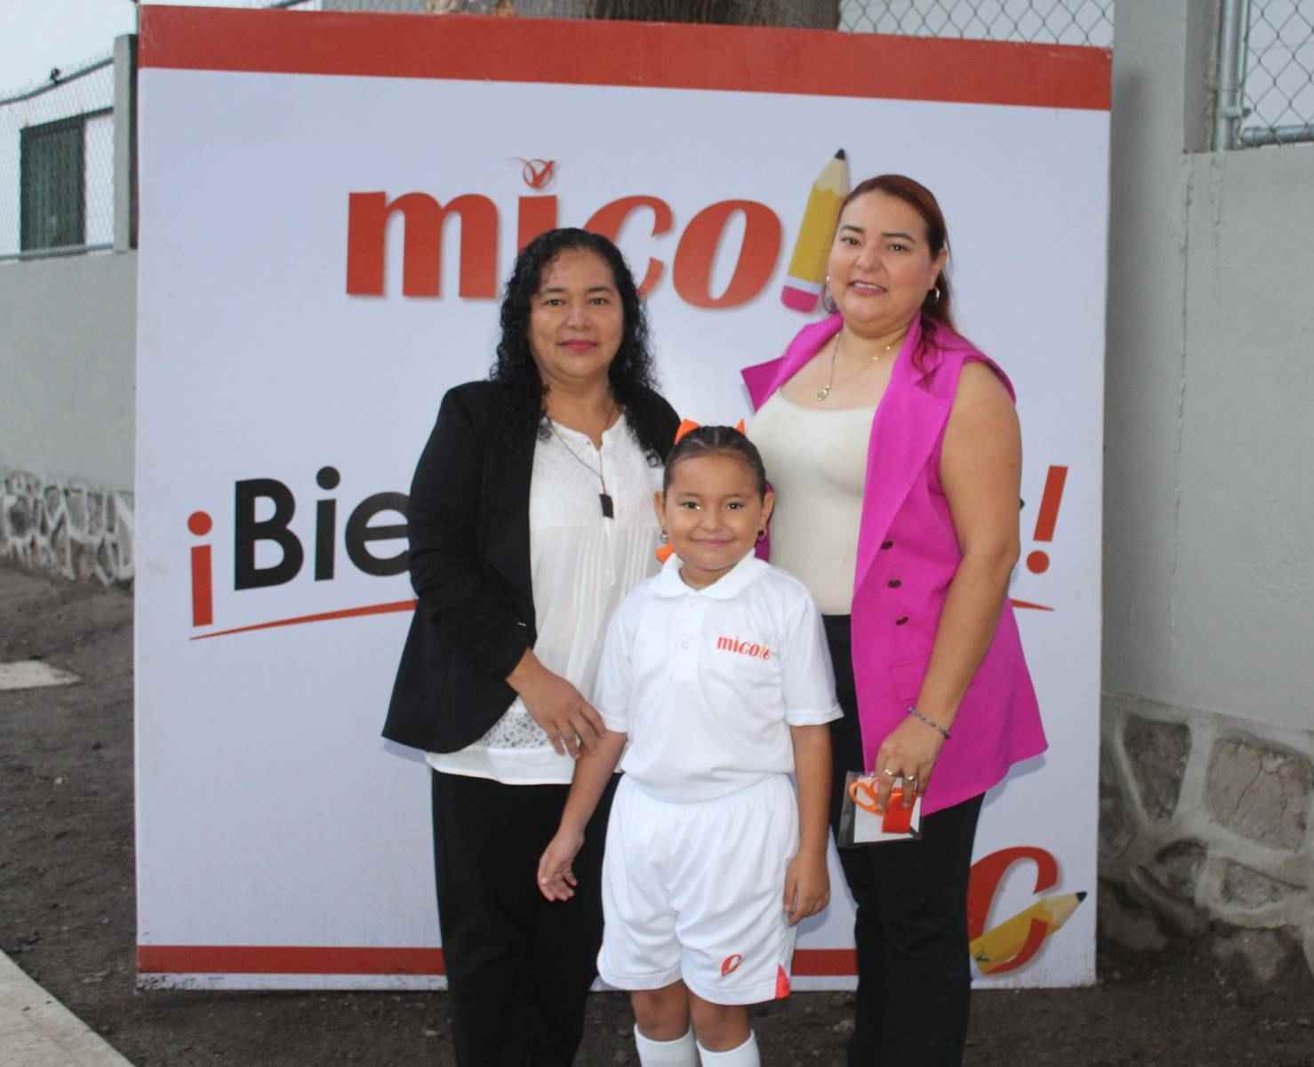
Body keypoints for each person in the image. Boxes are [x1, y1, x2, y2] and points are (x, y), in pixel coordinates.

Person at [742, 175, 1047, 1065]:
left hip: (908, 681)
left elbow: (991, 554)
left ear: (936, 265)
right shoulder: (806, 350)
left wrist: (929, 719)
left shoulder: (964, 384)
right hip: (815, 675)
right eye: (851, 238)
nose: (866, 260)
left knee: (915, 912)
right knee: (876, 899)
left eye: (897, 244)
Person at [382, 228, 681, 1067]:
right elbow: (435, 559)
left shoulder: (657, 426)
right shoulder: (478, 417)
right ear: (524, 317)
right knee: (490, 963)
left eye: (598, 299)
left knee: (567, 961)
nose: (577, 319)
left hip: (609, 747)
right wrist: (532, 677)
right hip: (497, 738)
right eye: (555, 300)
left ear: (627, 315)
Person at [536, 426, 839, 1067]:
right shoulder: (639, 608)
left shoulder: (784, 604)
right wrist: (570, 830)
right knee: (652, 1003)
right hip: (643, 828)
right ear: (662, 508)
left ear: (764, 509)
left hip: (742, 830)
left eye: (734, 504)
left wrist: (812, 852)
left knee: (717, 1011)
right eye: (691, 504)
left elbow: (811, 732)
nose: (712, 523)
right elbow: (610, 731)